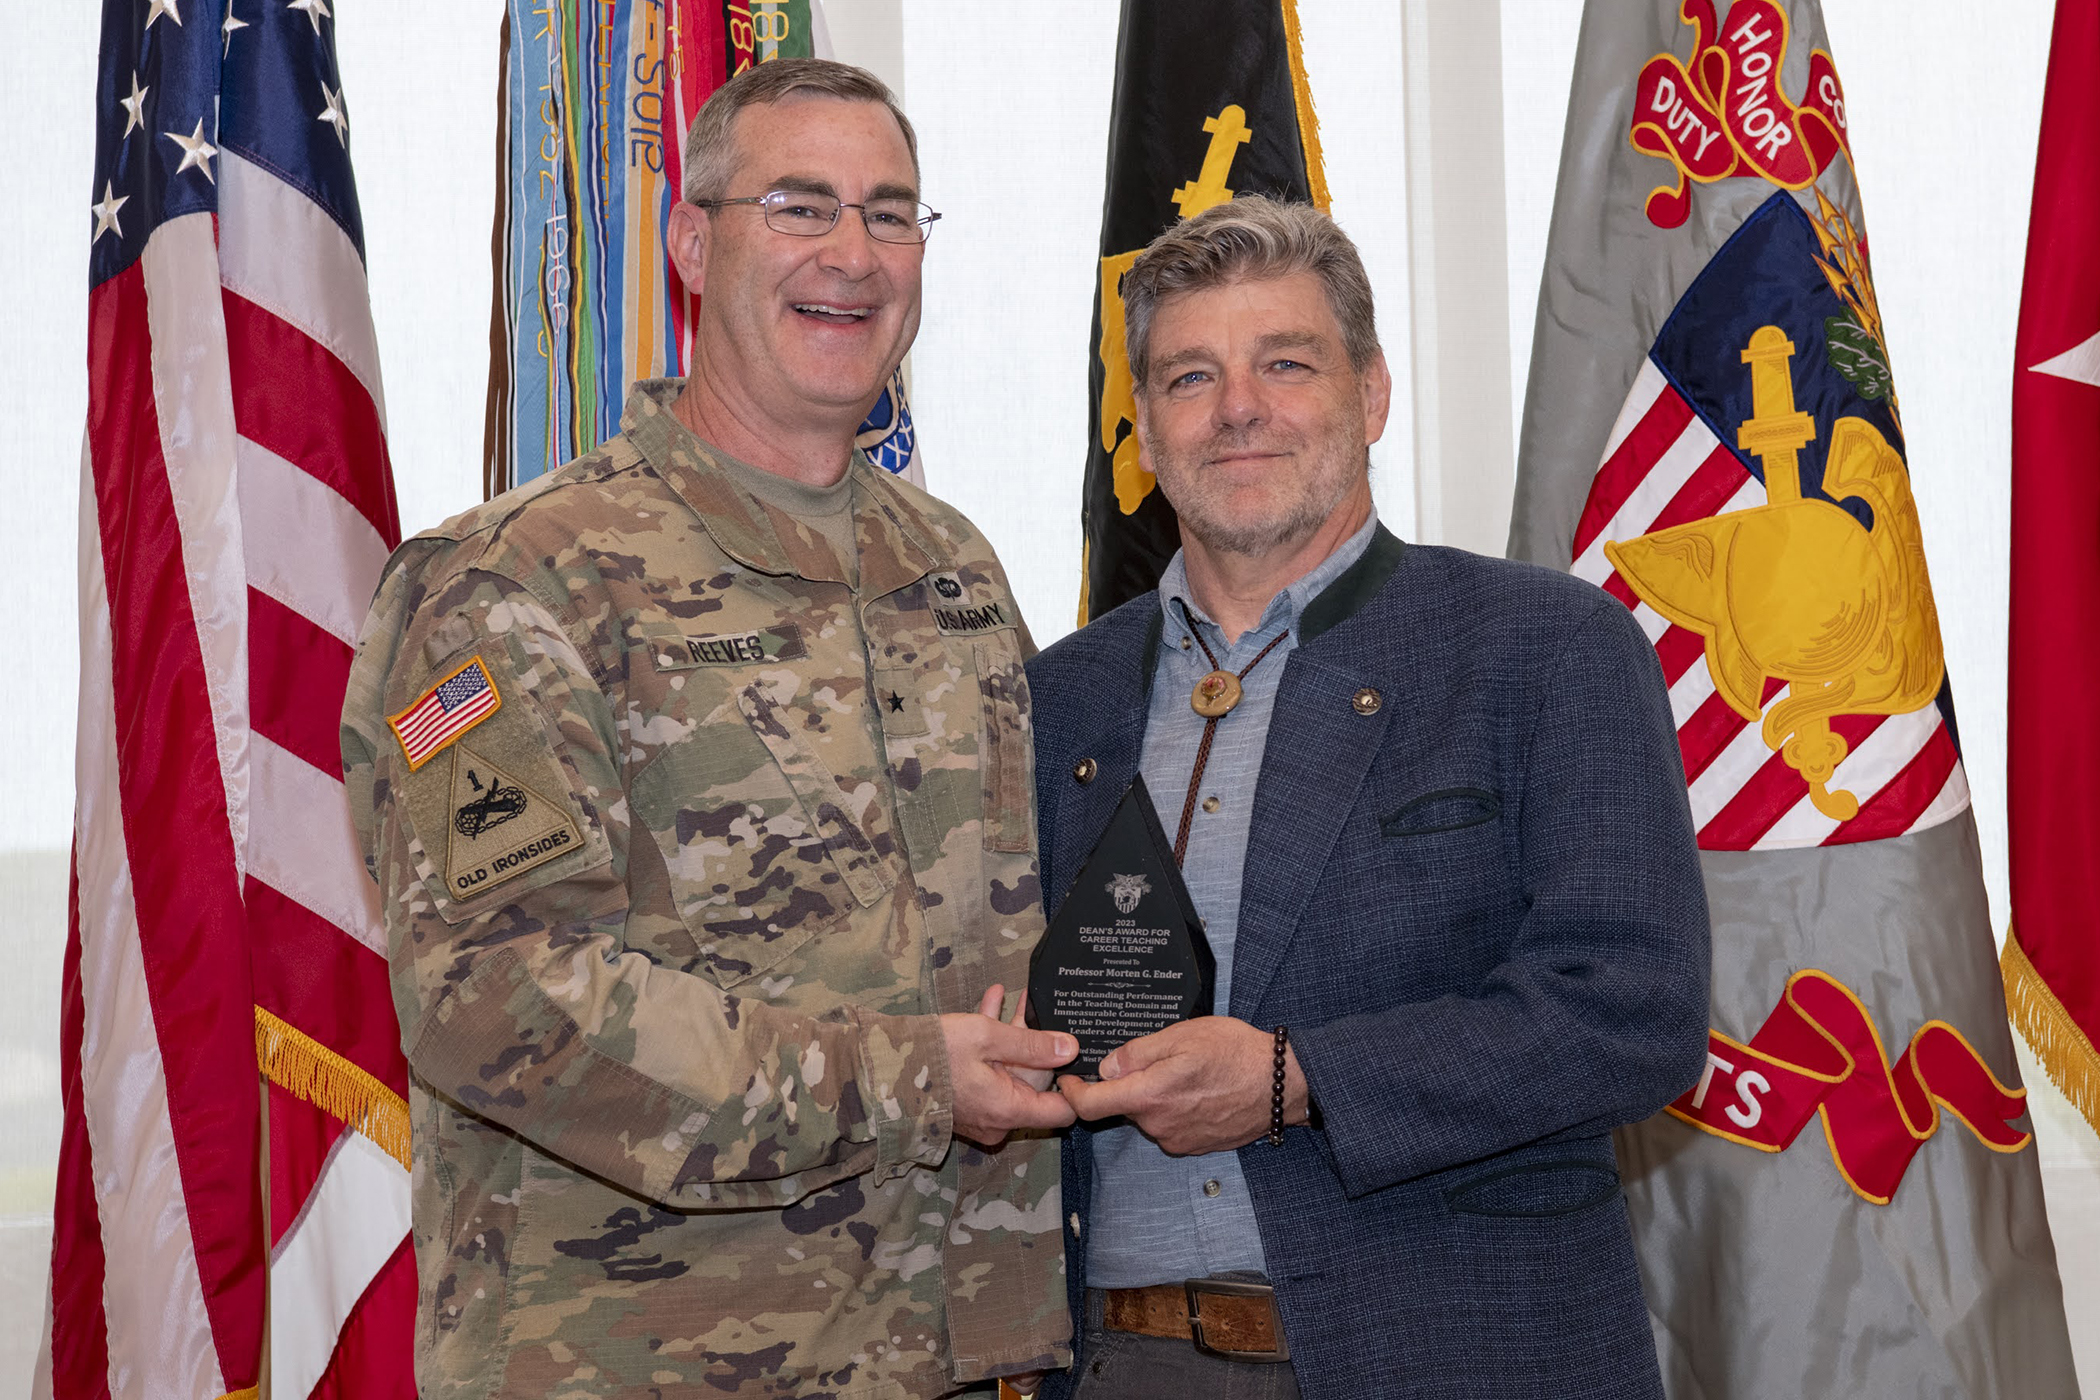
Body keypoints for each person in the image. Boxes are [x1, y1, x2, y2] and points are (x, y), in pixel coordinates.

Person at [341, 59, 1077, 1400]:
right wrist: (914, 1079)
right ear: (692, 241)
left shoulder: (952, 569)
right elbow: (500, 1000)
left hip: (959, 1359)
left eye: (892, 213)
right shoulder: (514, 581)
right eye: (800, 207)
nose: (854, 256)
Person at [1028, 195, 1712, 1400]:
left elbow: (1632, 1010)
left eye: (1285, 362)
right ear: (1141, 434)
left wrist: (1297, 1078)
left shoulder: (1546, 646)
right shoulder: (1058, 696)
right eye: (1191, 376)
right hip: (1118, 1360)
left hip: (1456, 1351)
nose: (1239, 405)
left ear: (1373, 393)